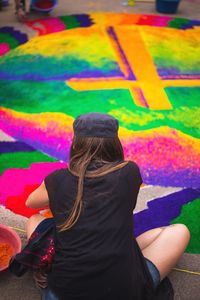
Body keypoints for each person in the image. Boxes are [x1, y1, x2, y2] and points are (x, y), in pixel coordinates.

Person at [24, 112, 190, 300]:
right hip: (125, 291)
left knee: (36, 220)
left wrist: (58, 188)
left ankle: (44, 268)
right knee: (179, 231)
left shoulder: (57, 179)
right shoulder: (129, 172)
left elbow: (31, 202)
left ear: (75, 144)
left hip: (62, 294)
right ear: (115, 144)